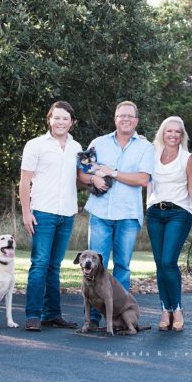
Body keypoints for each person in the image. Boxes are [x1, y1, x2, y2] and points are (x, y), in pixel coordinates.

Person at [77, 100, 154, 328]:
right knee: (93, 265)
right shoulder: (98, 144)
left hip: (128, 215)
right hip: (101, 213)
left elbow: (142, 179)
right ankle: (91, 319)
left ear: (136, 120)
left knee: (122, 266)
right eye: (122, 116)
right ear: (115, 119)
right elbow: (81, 174)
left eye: (130, 116)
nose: (126, 119)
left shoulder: (145, 147)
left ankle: (118, 319)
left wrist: (113, 172)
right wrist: (93, 178)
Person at [19, 101, 83, 331]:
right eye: (56, 118)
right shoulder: (35, 145)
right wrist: (27, 212)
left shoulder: (77, 148)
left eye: (65, 118)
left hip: (66, 213)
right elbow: (25, 181)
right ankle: (33, 315)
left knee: (55, 266)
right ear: (49, 119)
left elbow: (83, 176)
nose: (60, 122)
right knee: (39, 264)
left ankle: (52, 314)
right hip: (42, 212)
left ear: (72, 122)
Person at [145, 116, 192, 332]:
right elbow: (147, 183)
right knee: (160, 263)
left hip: (179, 213)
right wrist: (147, 206)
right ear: (162, 133)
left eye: (177, 132)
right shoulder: (151, 156)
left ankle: (176, 308)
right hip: (155, 214)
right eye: (169, 131)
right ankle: (164, 309)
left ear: (182, 136)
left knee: (169, 261)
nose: (172, 135)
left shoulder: (188, 159)